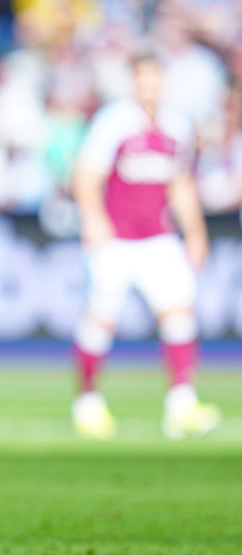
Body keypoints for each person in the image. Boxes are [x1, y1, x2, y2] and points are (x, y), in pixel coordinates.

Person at [70, 50, 221, 441]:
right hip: (117, 239)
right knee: (100, 320)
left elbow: (181, 183)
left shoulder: (177, 125)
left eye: (156, 78)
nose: (150, 86)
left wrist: (196, 231)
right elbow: (86, 177)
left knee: (180, 314)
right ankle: (87, 403)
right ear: (133, 81)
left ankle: (182, 405)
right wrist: (94, 221)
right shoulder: (114, 122)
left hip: (158, 237)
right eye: (143, 78)